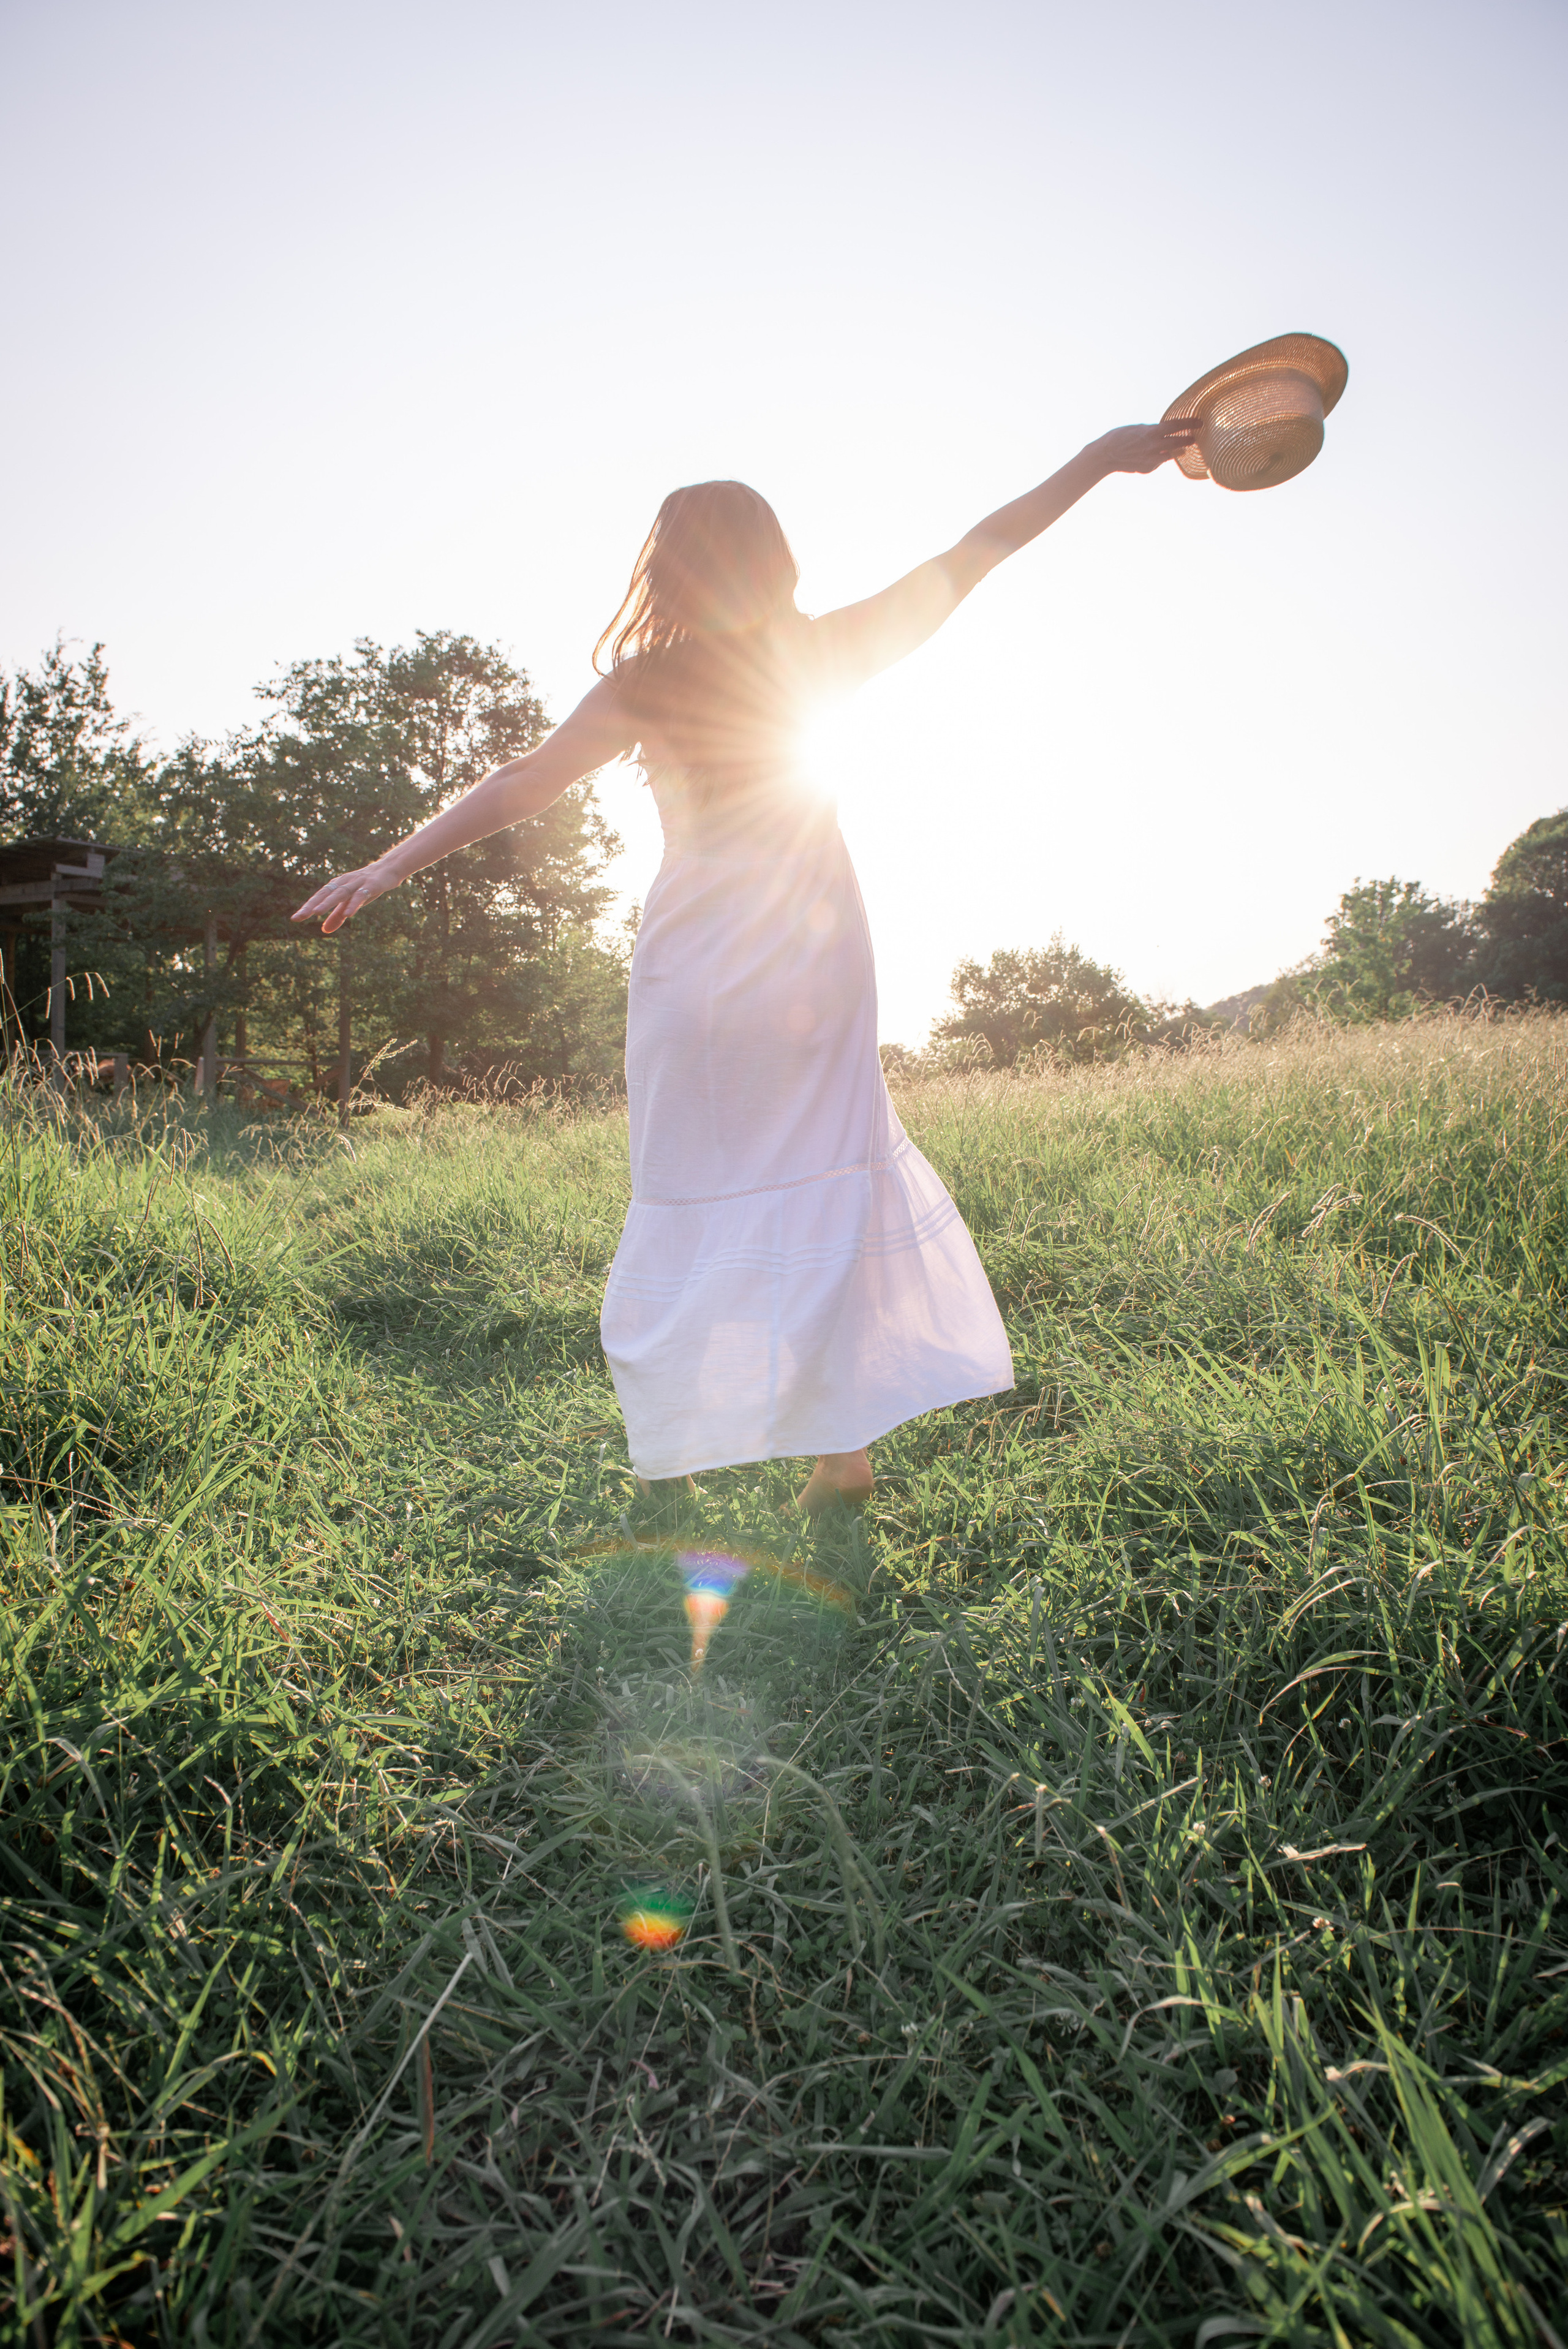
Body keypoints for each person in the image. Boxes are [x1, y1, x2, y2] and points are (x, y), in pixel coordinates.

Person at [294, 417, 1200, 1514]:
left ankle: (675, 1457)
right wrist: (1103, 457)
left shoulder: (645, 686)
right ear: (779, 562)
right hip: (813, 959)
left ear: (667, 574)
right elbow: (979, 550)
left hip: (695, 965)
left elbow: (524, 780)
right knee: (828, 1181)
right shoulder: (822, 652)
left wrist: (389, 865)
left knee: (687, 1187)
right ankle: (840, 1458)